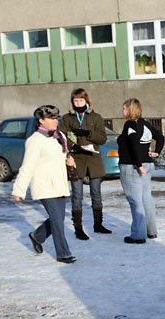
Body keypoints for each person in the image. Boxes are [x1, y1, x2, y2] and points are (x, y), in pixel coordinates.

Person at [12, 105, 77, 264]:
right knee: (56, 220)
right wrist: (19, 189)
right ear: (41, 120)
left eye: (57, 118)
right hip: (44, 185)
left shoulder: (59, 135)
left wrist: (68, 160)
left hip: (59, 184)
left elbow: (60, 155)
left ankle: (37, 236)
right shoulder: (35, 140)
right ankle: (63, 253)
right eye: (52, 118)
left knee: (59, 219)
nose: (56, 121)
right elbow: (27, 166)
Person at [60, 88, 112, 240]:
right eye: (75, 101)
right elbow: (61, 137)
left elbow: (102, 138)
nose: (78, 103)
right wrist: (73, 146)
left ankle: (98, 224)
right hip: (76, 159)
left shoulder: (95, 117)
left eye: (81, 100)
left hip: (93, 158)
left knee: (96, 193)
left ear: (87, 101)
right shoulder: (67, 118)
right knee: (77, 195)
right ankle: (78, 229)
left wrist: (88, 134)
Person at [116, 98, 164, 244]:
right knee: (146, 199)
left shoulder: (130, 125)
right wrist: (157, 152)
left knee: (135, 201)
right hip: (147, 165)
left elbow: (134, 144)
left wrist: (138, 164)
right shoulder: (145, 123)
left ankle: (138, 235)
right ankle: (151, 231)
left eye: (124, 108)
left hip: (132, 167)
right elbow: (160, 137)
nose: (122, 111)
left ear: (130, 110)